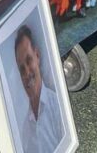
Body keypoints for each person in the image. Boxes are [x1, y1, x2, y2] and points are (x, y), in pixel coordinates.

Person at [14, 25, 64, 153]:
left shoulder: (58, 107)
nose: (27, 73)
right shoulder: (25, 130)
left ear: (37, 55)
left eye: (29, 60)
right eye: (21, 69)